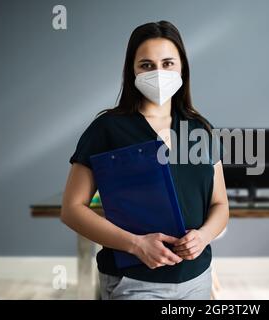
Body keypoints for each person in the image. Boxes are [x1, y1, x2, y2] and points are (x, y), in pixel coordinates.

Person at [61, 20, 229, 300]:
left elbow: (220, 204)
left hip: (198, 278)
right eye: (147, 65)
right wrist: (136, 245)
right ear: (132, 70)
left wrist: (205, 236)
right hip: (135, 281)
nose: (159, 73)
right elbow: (71, 209)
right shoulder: (107, 129)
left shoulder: (200, 129)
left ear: (182, 68)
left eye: (167, 63)